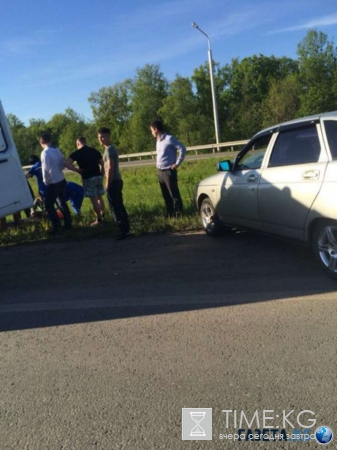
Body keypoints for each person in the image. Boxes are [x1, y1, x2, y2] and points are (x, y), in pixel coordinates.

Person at [97, 127, 131, 240]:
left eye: (103, 137)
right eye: (99, 137)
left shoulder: (109, 150)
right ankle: (126, 229)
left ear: (108, 136)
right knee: (119, 205)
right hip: (116, 181)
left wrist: (107, 183)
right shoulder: (110, 149)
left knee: (115, 207)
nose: (101, 139)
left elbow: (110, 168)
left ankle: (123, 230)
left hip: (113, 181)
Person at [65, 137, 105, 226]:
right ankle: (103, 215)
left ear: (78, 144)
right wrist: (102, 174)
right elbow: (102, 163)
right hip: (98, 176)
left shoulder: (77, 153)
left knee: (94, 199)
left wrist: (77, 170)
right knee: (99, 197)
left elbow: (67, 163)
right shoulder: (94, 151)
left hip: (88, 177)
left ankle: (99, 219)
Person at [150, 120, 186, 218]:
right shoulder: (158, 141)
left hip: (168, 171)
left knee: (174, 194)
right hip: (160, 171)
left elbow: (182, 148)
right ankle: (170, 214)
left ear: (156, 129)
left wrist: (177, 163)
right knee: (166, 195)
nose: (151, 132)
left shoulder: (169, 139)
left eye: (152, 130)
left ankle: (179, 215)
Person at [39, 133, 72, 233]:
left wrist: (45, 181)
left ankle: (56, 226)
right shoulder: (56, 149)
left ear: (41, 142)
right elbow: (63, 163)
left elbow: (45, 169)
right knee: (62, 203)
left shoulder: (44, 153)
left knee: (49, 205)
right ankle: (68, 223)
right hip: (61, 179)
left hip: (53, 182)